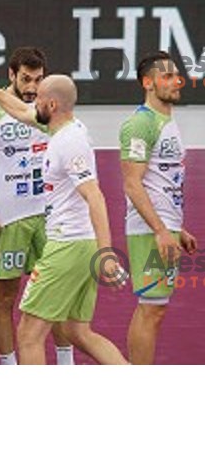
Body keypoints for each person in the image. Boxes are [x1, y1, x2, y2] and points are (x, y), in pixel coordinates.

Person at [0, 61, 128, 365]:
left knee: (28, 335)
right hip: (80, 245)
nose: (31, 101)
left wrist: (106, 253)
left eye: (38, 97)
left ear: (51, 104)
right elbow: (18, 109)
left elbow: (95, 196)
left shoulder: (68, 142)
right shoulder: (66, 128)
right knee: (79, 332)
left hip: (67, 246)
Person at [0, 47, 74, 365]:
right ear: (11, 75)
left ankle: (66, 363)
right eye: (25, 78)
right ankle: (9, 366)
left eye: (38, 79)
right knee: (6, 296)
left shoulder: (46, 107)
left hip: (49, 218)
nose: (32, 87)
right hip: (8, 220)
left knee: (55, 292)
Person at [120, 51, 197, 365]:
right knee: (151, 308)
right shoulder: (141, 123)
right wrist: (161, 230)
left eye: (177, 75)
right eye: (167, 76)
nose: (176, 81)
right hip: (148, 231)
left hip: (163, 228)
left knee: (155, 307)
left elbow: (161, 180)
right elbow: (132, 183)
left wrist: (178, 229)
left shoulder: (167, 122)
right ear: (148, 83)